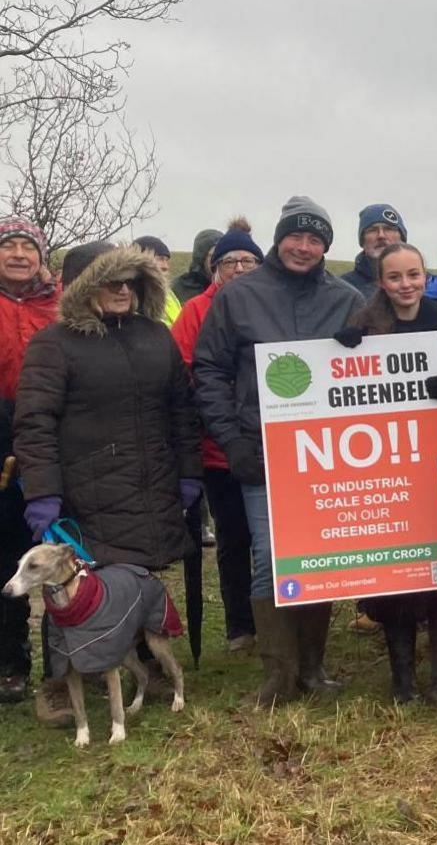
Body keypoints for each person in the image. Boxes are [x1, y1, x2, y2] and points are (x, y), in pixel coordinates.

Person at [13, 244, 203, 717]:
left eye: (129, 282)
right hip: (85, 485)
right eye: (111, 281)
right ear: (82, 287)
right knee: (68, 585)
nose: (122, 290)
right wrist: (43, 493)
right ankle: (58, 681)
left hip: (150, 479)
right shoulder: (53, 345)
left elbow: (181, 411)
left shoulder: (156, 338)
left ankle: (141, 661)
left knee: (133, 579)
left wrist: (189, 472)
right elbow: (34, 422)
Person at [194, 196, 364, 705]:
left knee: (320, 557)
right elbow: (210, 370)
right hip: (261, 452)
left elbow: (379, 362)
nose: (305, 247)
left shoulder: (347, 298)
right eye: (297, 236)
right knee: (270, 556)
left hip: (330, 455)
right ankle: (278, 675)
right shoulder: (239, 296)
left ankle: (312, 669)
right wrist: (232, 440)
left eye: (316, 240)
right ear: (279, 238)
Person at [334, 243, 437, 704]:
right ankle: (402, 683)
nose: (405, 284)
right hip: (389, 475)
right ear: (381, 282)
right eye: (394, 277)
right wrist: (345, 347)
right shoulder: (364, 330)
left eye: (413, 274)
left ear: (426, 275)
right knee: (397, 578)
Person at [171, 218, 263, 653]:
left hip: (274, 446)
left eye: (248, 260)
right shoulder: (195, 312)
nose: (240, 269)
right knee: (232, 537)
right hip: (218, 448)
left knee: (273, 537)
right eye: (230, 261)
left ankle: (277, 618)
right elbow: (187, 372)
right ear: (214, 268)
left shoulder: (271, 305)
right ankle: (240, 626)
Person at [0, 216, 59, 707]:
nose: (19, 254)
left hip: (48, 430)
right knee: (4, 553)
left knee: (53, 550)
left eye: (27, 247)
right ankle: (10, 663)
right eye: (10, 246)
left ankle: (64, 664)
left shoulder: (58, 305)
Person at [341, 204, 407, 297]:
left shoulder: (424, 285)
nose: (381, 235)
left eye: (388, 229)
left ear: (402, 239)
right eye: (372, 230)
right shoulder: (343, 289)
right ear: (363, 241)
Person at [133, 235, 182, 326]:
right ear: (142, 260)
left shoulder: (169, 294)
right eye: (160, 259)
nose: (165, 266)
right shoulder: (132, 296)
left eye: (167, 260)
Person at [171, 227, 223, 303]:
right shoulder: (179, 289)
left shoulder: (229, 287)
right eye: (214, 256)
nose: (219, 261)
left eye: (223, 256)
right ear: (201, 258)